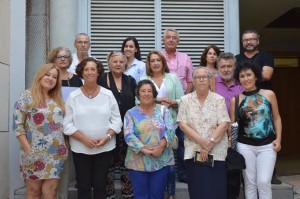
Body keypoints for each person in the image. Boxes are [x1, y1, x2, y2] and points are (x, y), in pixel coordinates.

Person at [63, 57, 123, 199]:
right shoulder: (73, 96)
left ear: (98, 73)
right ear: (81, 73)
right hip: (80, 148)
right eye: (86, 69)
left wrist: (107, 137)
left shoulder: (108, 95)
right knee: (83, 187)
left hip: (104, 147)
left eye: (93, 69)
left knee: (100, 186)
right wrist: (84, 139)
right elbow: (67, 124)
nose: (90, 72)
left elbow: (117, 121)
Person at [13, 63, 68, 199]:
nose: (50, 78)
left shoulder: (58, 99)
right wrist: (27, 148)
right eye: (47, 74)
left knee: (51, 190)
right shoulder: (27, 95)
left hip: (56, 153)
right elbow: (17, 125)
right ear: (40, 75)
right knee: (34, 191)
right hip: (33, 152)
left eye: (54, 77)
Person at [229, 61, 282, 199]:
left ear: (256, 76)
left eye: (248, 75)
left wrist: (279, 139)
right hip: (245, 146)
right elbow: (232, 126)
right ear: (238, 79)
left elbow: (276, 118)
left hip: (268, 145)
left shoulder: (269, 94)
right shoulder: (236, 100)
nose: (245, 79)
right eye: (242, 76)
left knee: (264, 182)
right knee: (250, 184)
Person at [177, 66, 230, 199]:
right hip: (193, 151)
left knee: (216, 189)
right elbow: (182, 125)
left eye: (204, 77)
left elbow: (224, 124)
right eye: (197, 77)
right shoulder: (185, 100)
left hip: (216, 152)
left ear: (210, 80)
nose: (201, 80)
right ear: (193, 81)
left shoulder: (219, 99)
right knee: (197, 190)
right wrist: (203, 143)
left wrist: (209, 143)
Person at [235, 29, 281, 184]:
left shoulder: (265, 56)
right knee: (249, 181)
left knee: (265, 129)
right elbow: (233, 76)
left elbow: (267, 75)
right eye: (246, 40)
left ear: (258, 41)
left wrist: (249, 78)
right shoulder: (237, 58)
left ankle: (271, 174)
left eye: (252, 39)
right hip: (244, 102)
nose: (249, 42)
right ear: (242, 43)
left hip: (262, 101)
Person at [140, 50, 184, 199]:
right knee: (154, 158)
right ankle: (156, 193)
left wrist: (172, 102)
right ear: (149, 63)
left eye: (158, 60)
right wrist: (156, 101)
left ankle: (171, 194)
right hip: (149, 127)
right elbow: (137, 101)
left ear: (163, 62)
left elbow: (182, 100)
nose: (156, 63)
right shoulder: (144, 78)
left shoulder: (172, 77)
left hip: (170, 124)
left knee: (170, 162)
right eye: (152, 61)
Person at [124, 80, 175, 199]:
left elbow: (171, 130)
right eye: (143, 91)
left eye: (149, 91)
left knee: (157, 194)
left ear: (154, 94)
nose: (146, 94)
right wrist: (147, 151)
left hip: (161, 159)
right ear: (138, 94)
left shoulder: (163, 110)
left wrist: (161, 147)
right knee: (140, 196)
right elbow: (128, 135)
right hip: (138, 162)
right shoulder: (131, 113)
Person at [97, 51, 136, 199]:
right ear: (109, 63)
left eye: (121, 62)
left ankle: (128, 195)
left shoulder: (131, 80)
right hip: (108, 129)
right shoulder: (101, 80)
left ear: (125, 64)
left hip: (127, 129)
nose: (118, 64)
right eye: (115, 62)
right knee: (108, 166)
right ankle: (109, 195)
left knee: (127, 164)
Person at [47, 46, 83, 199]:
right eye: (59, 56)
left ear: (69, 60)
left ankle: (63, 195)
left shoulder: (75, 78)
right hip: (49, 127)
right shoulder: (48, 77)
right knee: (50, 164)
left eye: (66, 57)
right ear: (53, 59)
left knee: (66, 165)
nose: (63, 59)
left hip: (70, 126)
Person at [161, 28, 194, 183]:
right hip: (160, 107)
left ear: (178, 41)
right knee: (162, 140)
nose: (171, 40)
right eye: (168, 37)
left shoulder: (185, 57)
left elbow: (189, 81)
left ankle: (183, 174)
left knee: (181, 141)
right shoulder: (158, 56)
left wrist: (183, 99)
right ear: (164, 40)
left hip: (181, 105)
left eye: (174, 38)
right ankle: (164, 175)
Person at [215, 52, 244, 199]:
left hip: (237, 135)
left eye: (229, 66)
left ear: (234, 67)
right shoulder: (211, 84)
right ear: (218, 67)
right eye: (223, 66)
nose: (226, 69)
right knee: (218, 174)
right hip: (215, 136)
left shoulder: (242, 85)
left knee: (234, 174)